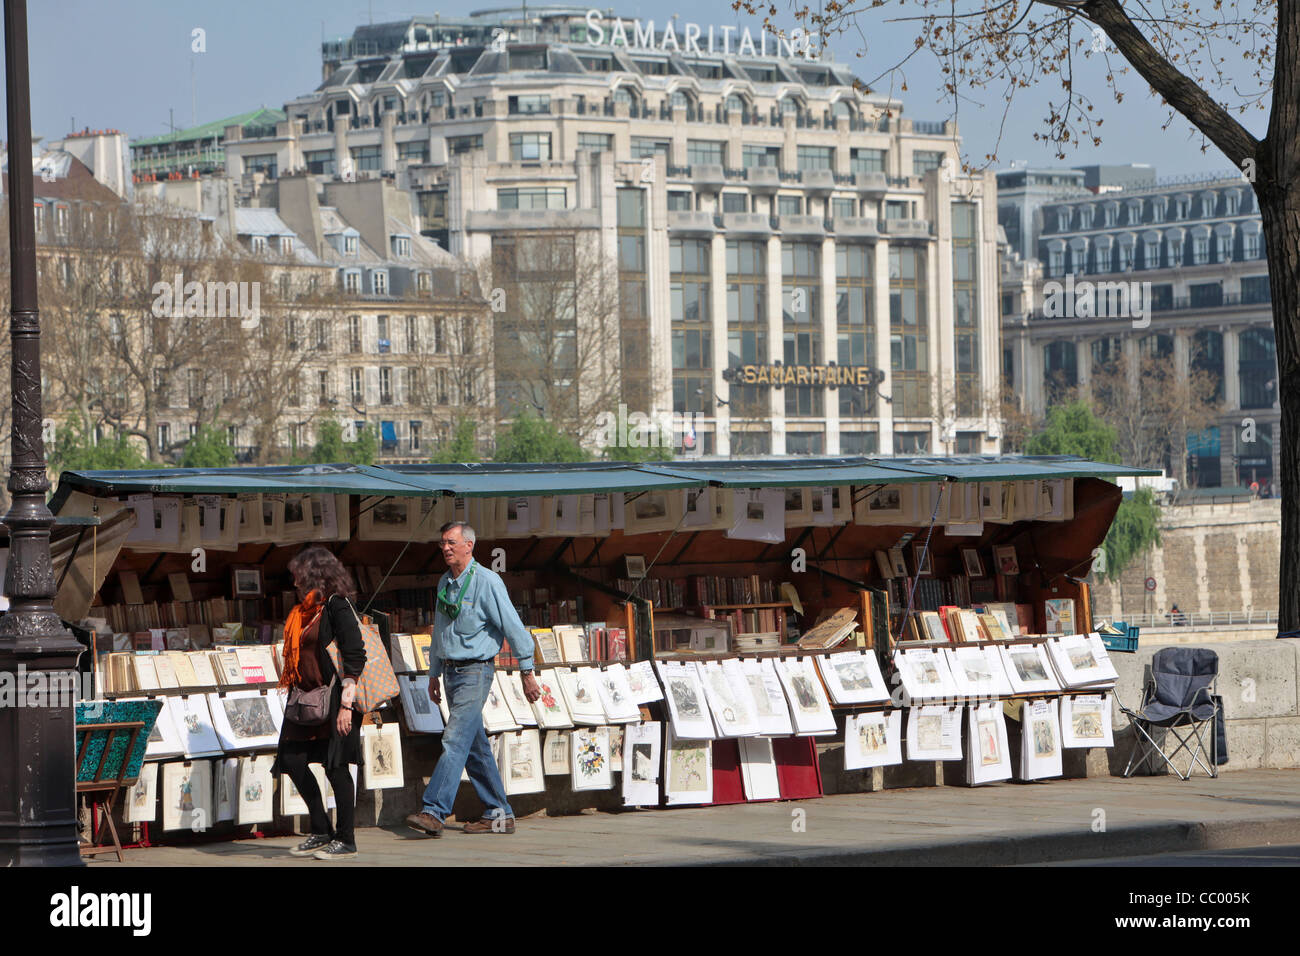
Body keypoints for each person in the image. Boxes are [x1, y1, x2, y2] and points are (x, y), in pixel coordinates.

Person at [406, 521, 540, 838]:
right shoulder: (445, 583)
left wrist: (527, 671)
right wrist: (434, 674)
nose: (445, 548)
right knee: (474, 745)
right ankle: (499, 813)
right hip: (450, 671)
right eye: (442, 543)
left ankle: (434, 811)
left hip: (476, 671)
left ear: (470, 545)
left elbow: (513, 626)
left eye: (451, 542)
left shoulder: (487, 582)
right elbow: (439, 632)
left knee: (454, 739)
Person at [276, 545, 366, 859]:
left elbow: (355, 655)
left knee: (336, 767)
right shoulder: (304, 611)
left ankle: (346, 839)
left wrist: (345, 705)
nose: (295, 583)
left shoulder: (337, 606)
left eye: (299, 575)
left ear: (315, 574)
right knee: (292, 760)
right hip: (304, 697)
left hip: (335, 699)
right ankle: (320, 829)